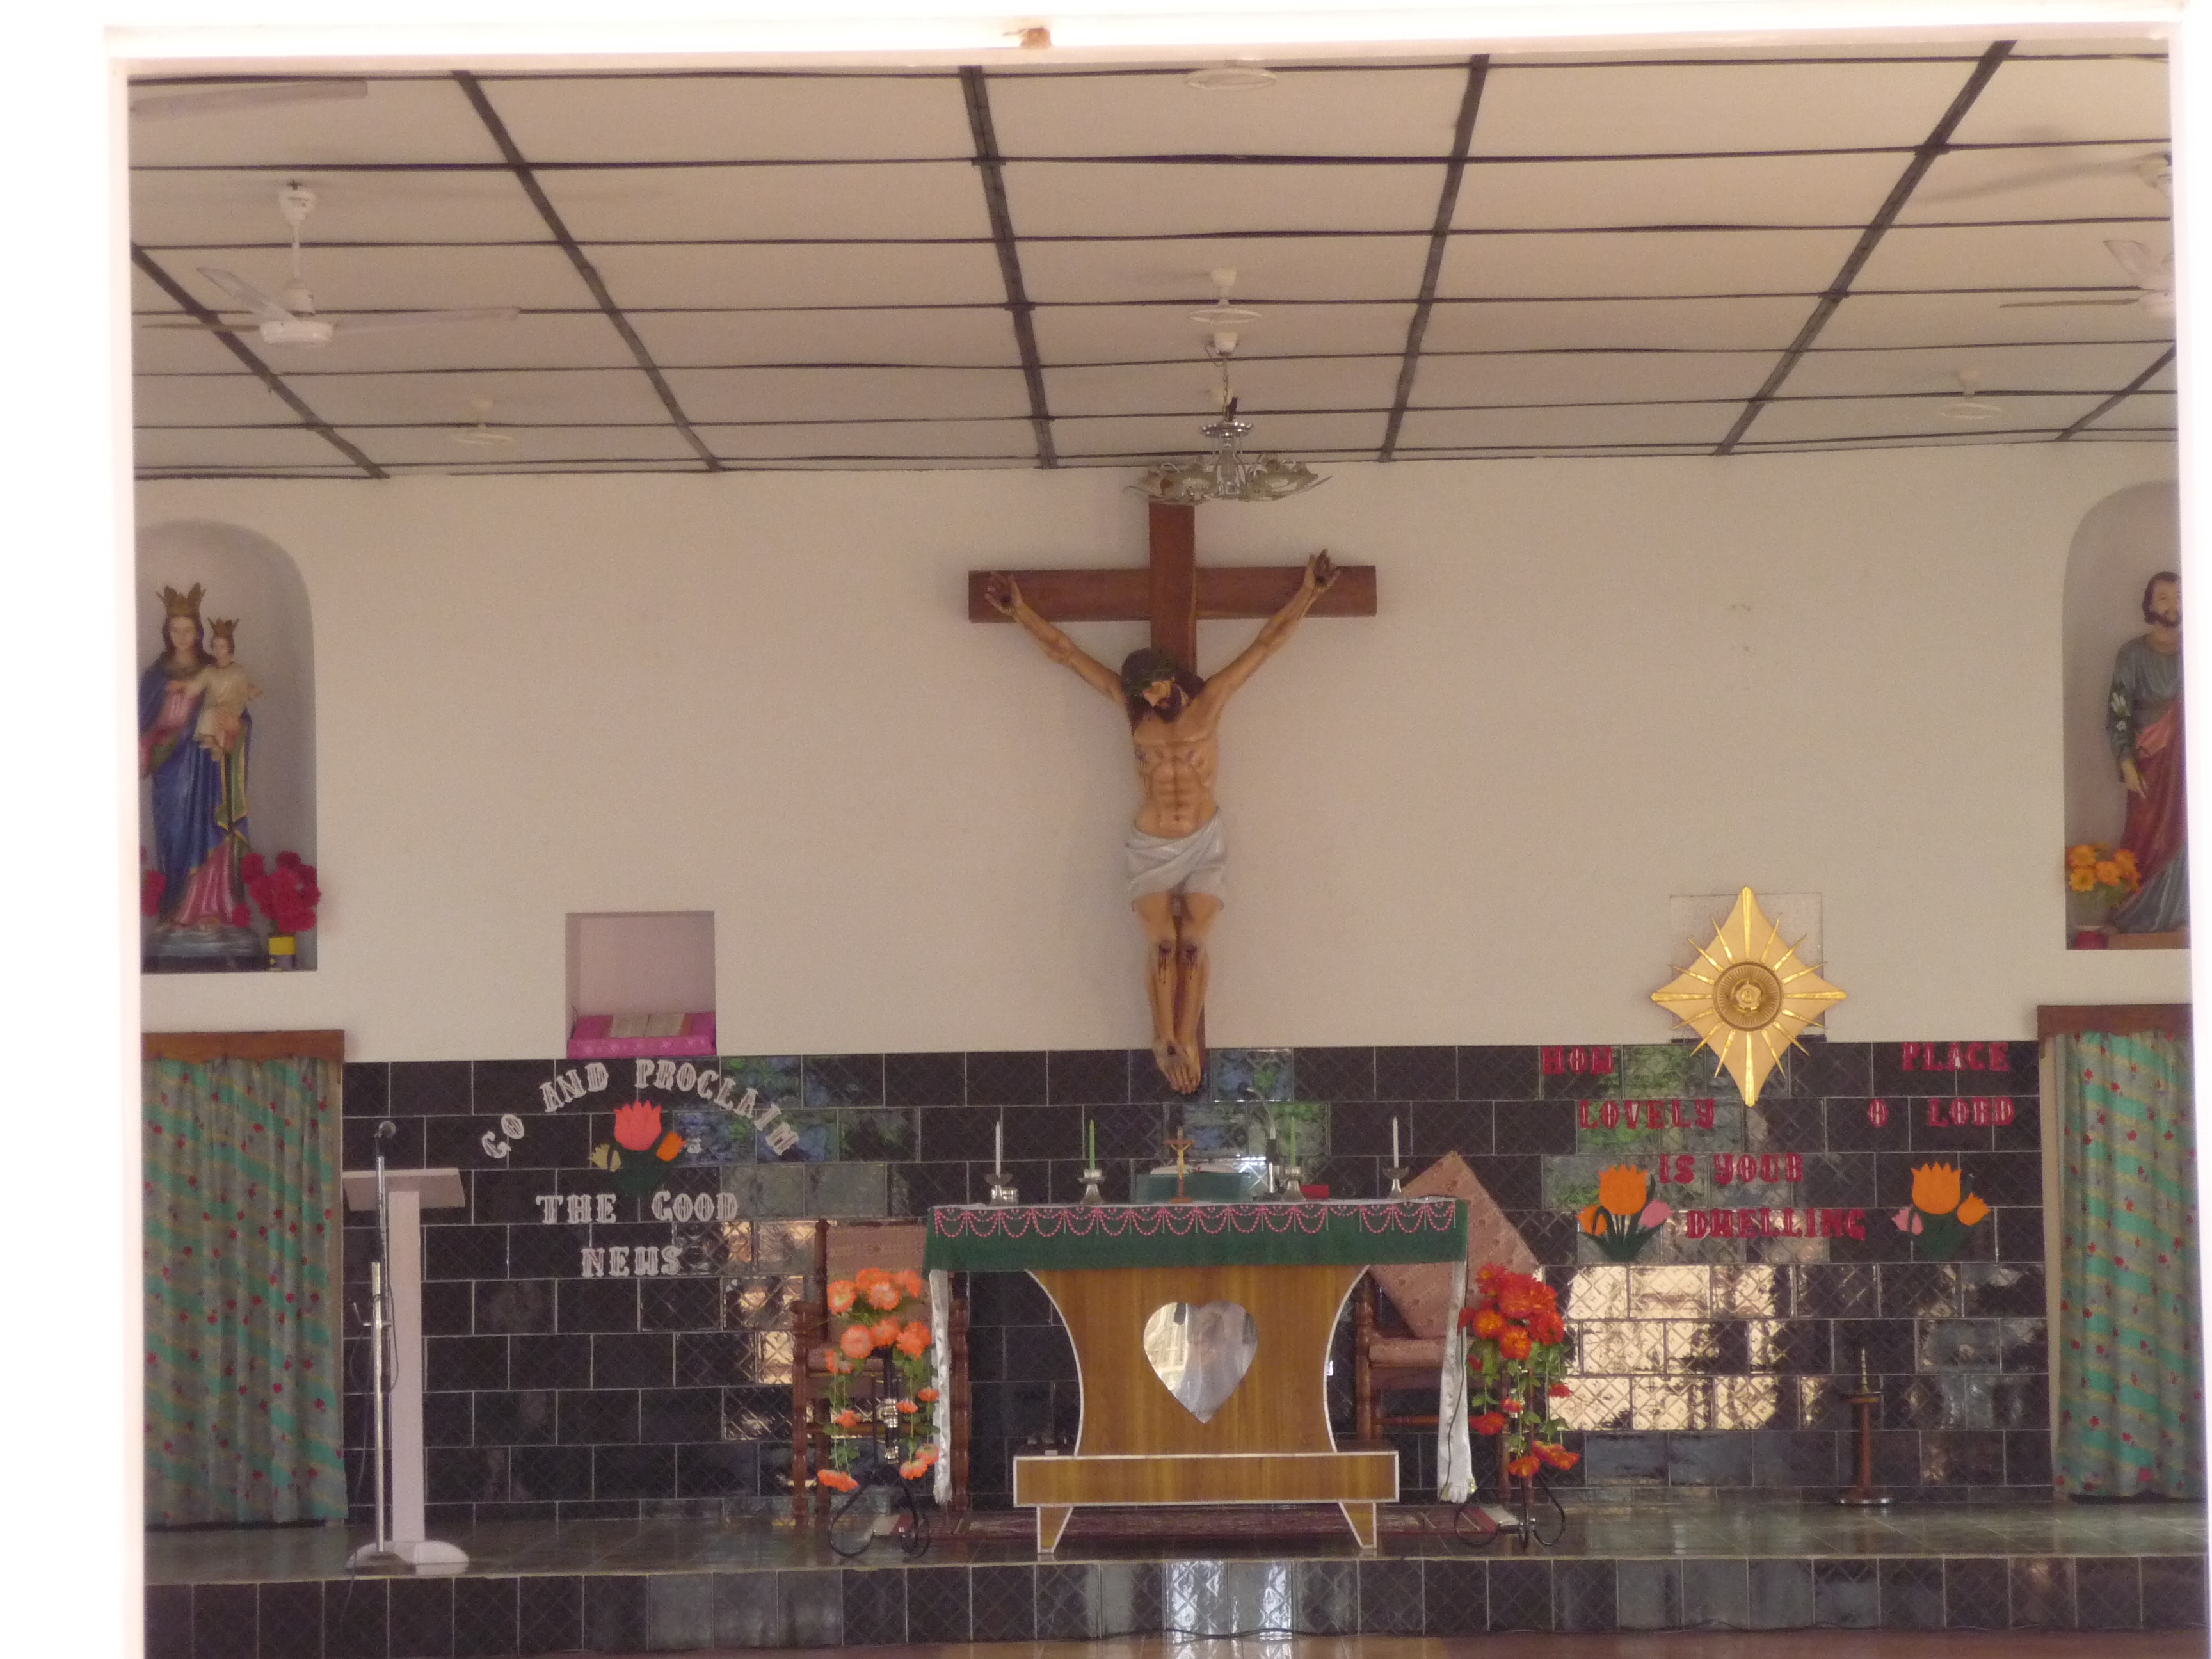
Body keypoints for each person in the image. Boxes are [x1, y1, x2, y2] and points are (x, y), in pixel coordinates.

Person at [985, 552, 1338, 1093]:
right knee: (1164, 945)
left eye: (1155, 688)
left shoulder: (1210, 701)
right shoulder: (1134, 713)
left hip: (1204, 839)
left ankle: (1187, 1036)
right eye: (1144, 694)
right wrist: (1020, 612)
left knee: (1193, 943)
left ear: (1169, 677)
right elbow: (1066, 654)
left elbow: (1268, 643)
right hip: (1150, 842)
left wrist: (1310, 592)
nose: (1151, 699)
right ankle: (1163, 1036)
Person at [139, 586, 252, 934]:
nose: (182, 636)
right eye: (175, 629)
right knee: (174, 835)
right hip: (172, 771)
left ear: (199, 632)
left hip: (210, 768)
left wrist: (236, 726)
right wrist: (167, 726)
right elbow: (141, 728)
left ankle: (214, 908)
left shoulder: (216, 671)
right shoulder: (156, 678)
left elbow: (240, 713)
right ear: (167, 631)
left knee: (211, 827)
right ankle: (176, 911)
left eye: (188, 629)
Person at [2108, 570, 2186, 936]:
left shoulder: (2201, 649)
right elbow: (2118, 710)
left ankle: (2185, 914)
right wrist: (2126, 762)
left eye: (2179, 597)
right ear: (2150, 605)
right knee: (2145, 834)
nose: (2173, 605)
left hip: (2191, 765)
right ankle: (2136, 916)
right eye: (2164, 598)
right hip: (2149, 761)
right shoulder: (2133, 654)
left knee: (2190, 831)